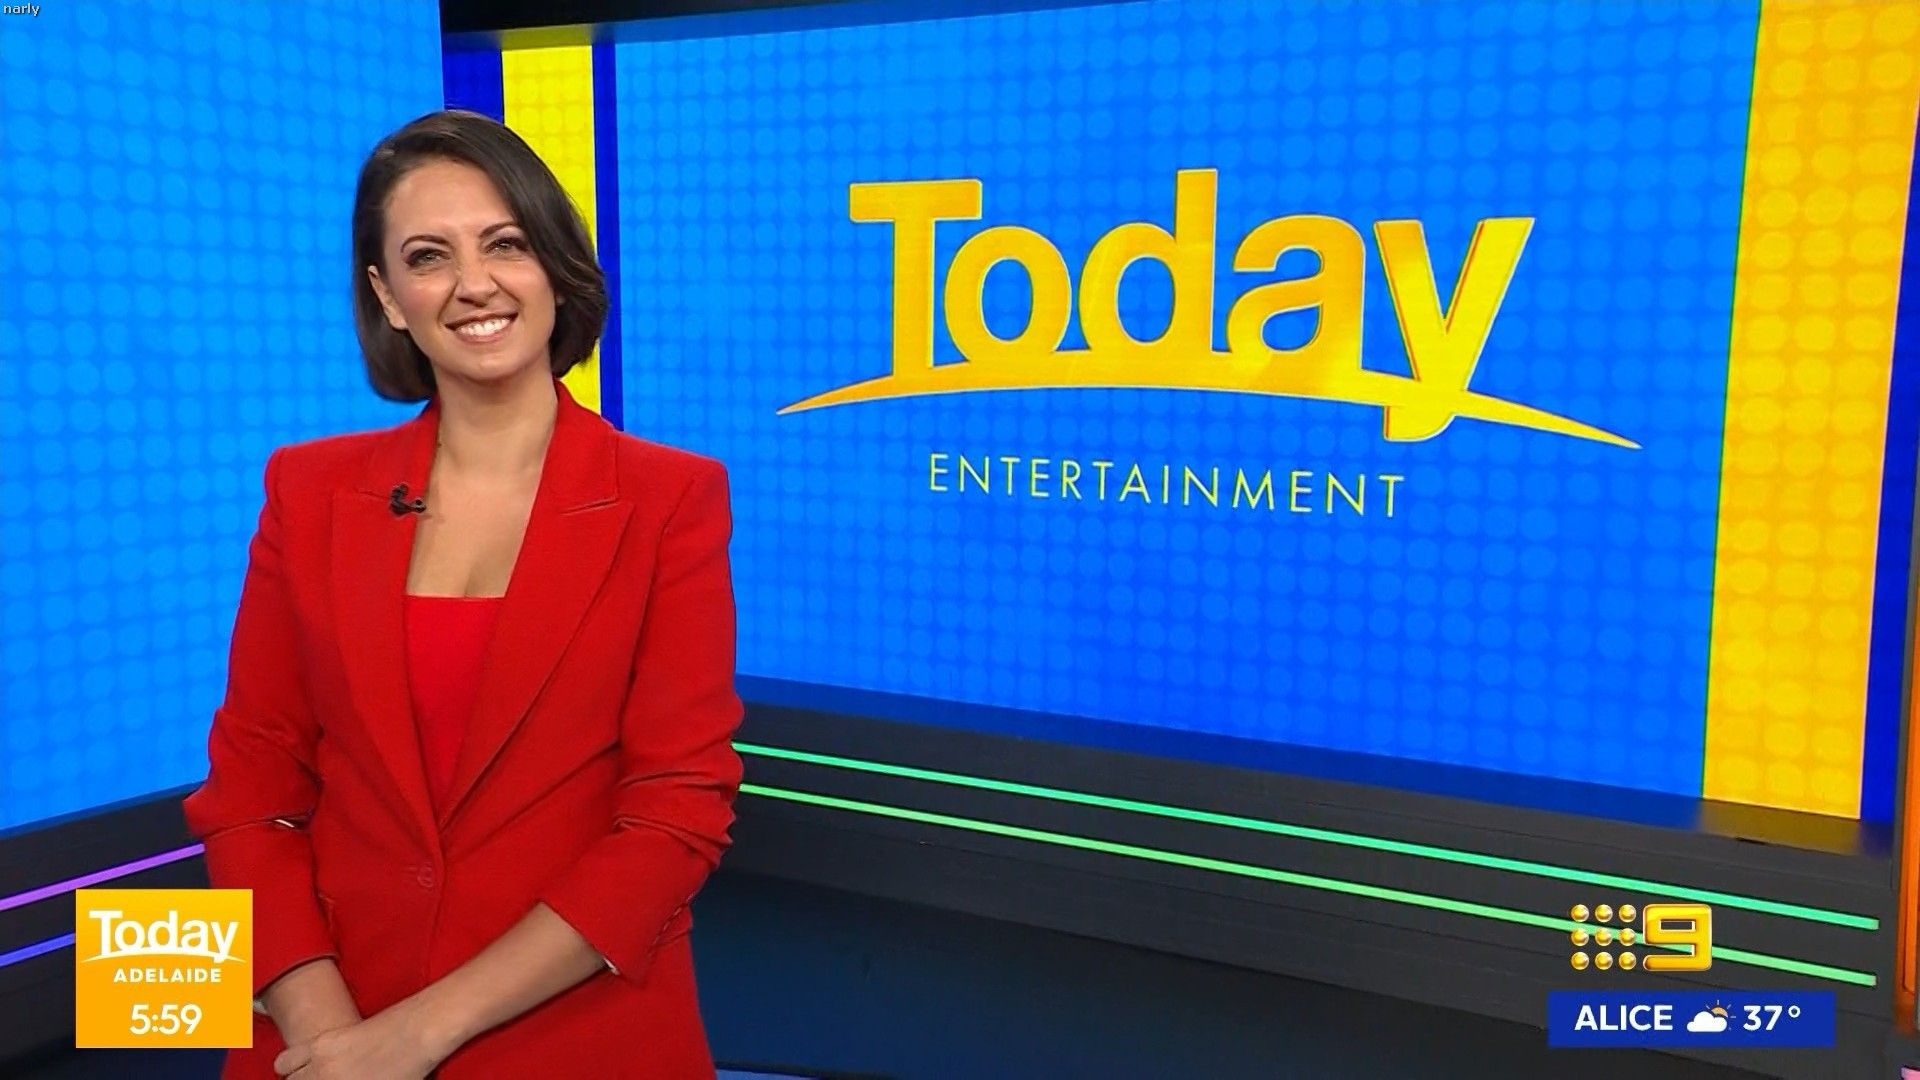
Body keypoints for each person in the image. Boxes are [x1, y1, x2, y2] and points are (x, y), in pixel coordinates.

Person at [181, 109, 745, 1079]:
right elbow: (250, 795)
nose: (474, 283)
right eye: (429, 257)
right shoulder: (307, 492)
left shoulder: (671, 500)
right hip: (323, 1024)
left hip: (572, 1028)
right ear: (388, 296)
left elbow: (674, 816)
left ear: (554, 266)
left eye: (506, 244)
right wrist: (330, 1038)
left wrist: (416, 1036)